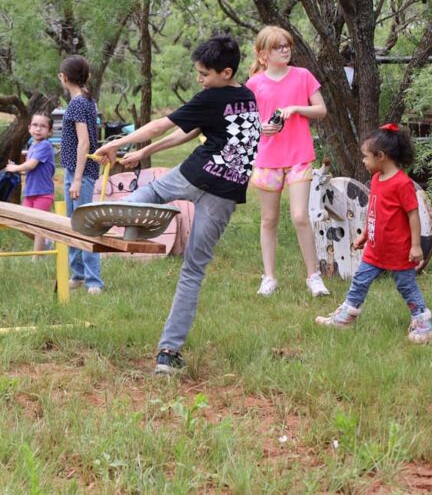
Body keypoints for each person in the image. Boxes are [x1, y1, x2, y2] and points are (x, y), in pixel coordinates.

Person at [95, 33, 261, 374]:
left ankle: (126, 219)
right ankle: (168, 354)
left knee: (153, 193)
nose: (200, 79)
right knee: (193, 271)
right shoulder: (245, 98)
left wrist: (118, 143)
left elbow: (161, 124)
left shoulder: (211, 97)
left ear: (225, 73)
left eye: (204, 74)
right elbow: (190, 130)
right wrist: (145, 152)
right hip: (227, 191)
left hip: (198, 173)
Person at [315, 125, 432, 343]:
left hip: (398, 250)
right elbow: (374, 212)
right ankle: (345, 317)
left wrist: (416, 246)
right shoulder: (377, 179)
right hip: (376, 247)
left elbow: (413, 216)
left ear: (381, 156)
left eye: (366, 157)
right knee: (360, 280)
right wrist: (366, 236)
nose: (363, 161)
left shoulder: (402, 184)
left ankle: (423, 323)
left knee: (406, 285)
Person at [246, 26, 330, 297]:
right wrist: (261, 127)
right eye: (278, 47)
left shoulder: (303, 76)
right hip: (268, 160)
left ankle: (313, 277)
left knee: (299, 216)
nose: (285, 50)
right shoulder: (254, 84)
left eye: (287, 45)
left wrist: (296, 108)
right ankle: (269, 277)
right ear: (262, 55)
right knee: (268, 220)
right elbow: (247, 123)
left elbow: (321, 110)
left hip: (299, 157)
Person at [58, 56, 103, 293]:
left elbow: (84, 142)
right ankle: (77, 274)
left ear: (64, 78)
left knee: (84, 223)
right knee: (71, 223)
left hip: (80, 173)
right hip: (72, 170)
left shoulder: (78, 104)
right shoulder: (85, 100)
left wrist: (76, 178)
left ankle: (94, 281)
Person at [6, 112, 57, 254]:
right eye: (35, 125)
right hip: (30, 193)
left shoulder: (45, 145)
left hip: (43, 193)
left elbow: (31, 165)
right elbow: (29, 169)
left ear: (49, 131)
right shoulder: (32, 146)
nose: (38, 129)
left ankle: (36, 258)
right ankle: (46, 242)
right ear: (29, 128)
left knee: (37, 226)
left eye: (43, 126)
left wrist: (15, 168)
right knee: (22, 224)